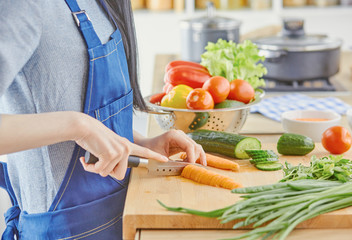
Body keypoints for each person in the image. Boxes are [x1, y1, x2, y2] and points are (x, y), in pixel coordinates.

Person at [0, 0, 206, 239]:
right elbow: (81, 123)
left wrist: (138, 144)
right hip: (65, 230)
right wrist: (79, 126)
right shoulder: (22, 5)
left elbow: (74, 103)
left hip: (122, 217)